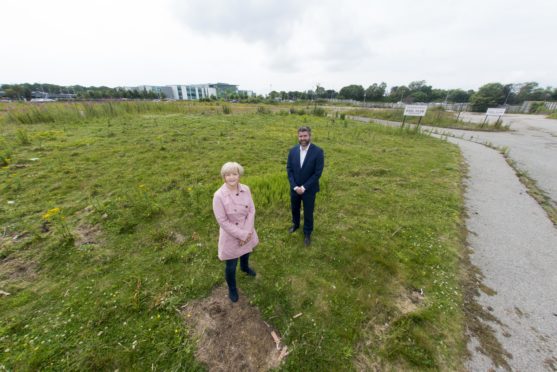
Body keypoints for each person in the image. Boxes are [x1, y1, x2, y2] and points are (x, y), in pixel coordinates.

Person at [212, 162, 259, 303]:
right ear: (223, 177)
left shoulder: (246, 189)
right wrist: (241, 235)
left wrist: (247, 232)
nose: (231, 177)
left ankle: (245, 267)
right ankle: (232, 287)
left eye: (234, 174)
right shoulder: (218, 196)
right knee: (231, 265)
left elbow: (251, 210)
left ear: (239, 175)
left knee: (246, 252)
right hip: (231, 235)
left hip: (247, 229)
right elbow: (222, 221)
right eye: (228, 175)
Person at [286, 126, 325, 246]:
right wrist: (294, 186)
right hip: (294, 189)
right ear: (298, 137)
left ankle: (307, 232)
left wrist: (304, 188)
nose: (303, 138)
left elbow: (317, 173)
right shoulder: (292, 151)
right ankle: (296, 224)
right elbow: (289, 169)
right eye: (300, 136)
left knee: (308, 211)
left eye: (305, 136)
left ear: (310, 136)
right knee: (295, 208)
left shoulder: (318, 152)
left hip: (309, 189)